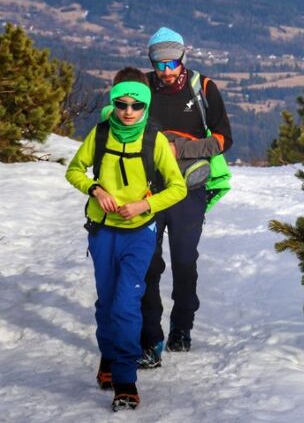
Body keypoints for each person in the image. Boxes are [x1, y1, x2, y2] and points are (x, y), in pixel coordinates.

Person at [66, 67, 186, 412]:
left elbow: (177, 188)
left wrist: (144, 204)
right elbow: (74, 170)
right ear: (114, 104)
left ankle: (125, 380)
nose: (128, 111)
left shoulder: (154, 140)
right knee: (106, 303)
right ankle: (109, 356)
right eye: (122, 104)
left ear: (146, 106)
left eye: (136, 105)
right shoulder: (101, 133)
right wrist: (94, 188)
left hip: (139, 234)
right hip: (102, 231)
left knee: (125, 304)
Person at [138, 27, 233, 367]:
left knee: (183, 260)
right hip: (149, 189)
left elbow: (224, 139)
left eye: (172, 63)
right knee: (148, 264)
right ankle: (150, 337)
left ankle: (182, 327)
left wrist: (180, 147)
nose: (166, 72)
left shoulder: (204, 88)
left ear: (183, 57)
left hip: (189, 190)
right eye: (159, 64)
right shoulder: (143, 89)